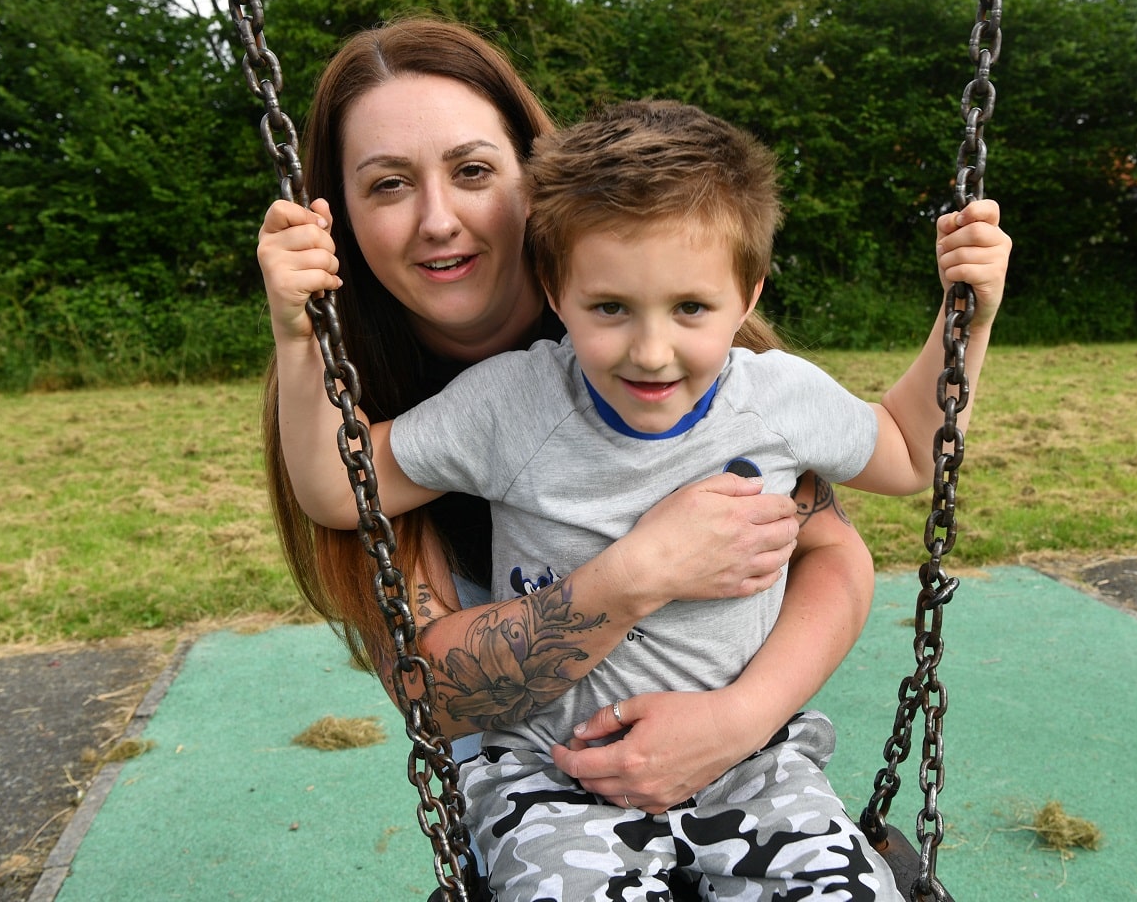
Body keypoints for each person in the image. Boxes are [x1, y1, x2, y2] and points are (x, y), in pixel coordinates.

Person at [269, 98, 1011, 900]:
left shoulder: (776, 398)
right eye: (611, 309)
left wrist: (966, 317)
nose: (651, 352)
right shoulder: (510, 405)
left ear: (748, 294)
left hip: (752, 765)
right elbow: (341, 490)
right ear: (556, 290)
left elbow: (906, 451)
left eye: (690, 308)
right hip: (553, 779)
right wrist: (299, 337)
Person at [258, 17, 887, 825]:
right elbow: (432, 695)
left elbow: (832, 554)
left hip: (732, 754)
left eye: (474, 170)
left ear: (535, 176)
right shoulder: (346, 400)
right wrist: (637, 574)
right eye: (388, 184)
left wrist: (739, 721)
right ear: (334, 216)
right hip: (540, 781)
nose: (438, 219)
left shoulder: (663, 351)